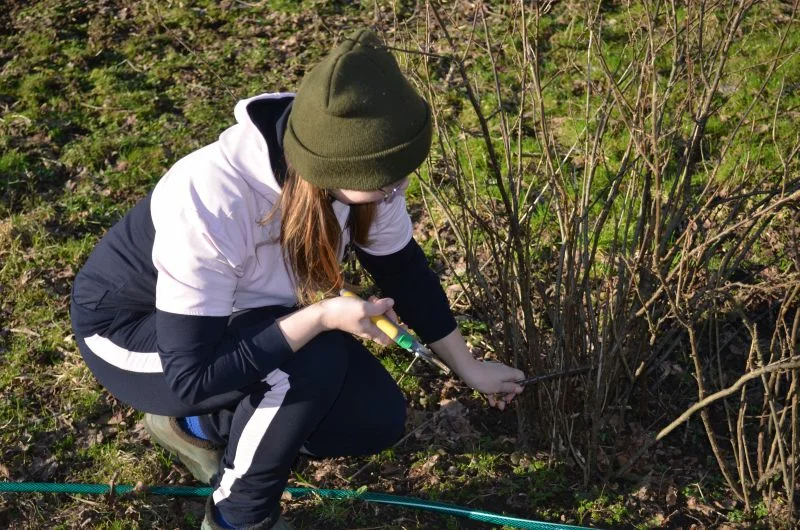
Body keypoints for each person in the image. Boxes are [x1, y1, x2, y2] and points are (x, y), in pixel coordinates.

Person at [70, 28, 524, 530]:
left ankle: (197, 426)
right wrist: (324, 317)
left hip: (241, 318)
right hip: (135, 335)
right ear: (333, 168)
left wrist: (468, 367)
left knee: (372, 418)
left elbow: (405, 271)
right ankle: (236, 519)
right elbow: (191, 374)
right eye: (385, 179)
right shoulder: (212, 198)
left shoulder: (362, 175)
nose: (398, 187)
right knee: (310, 356)